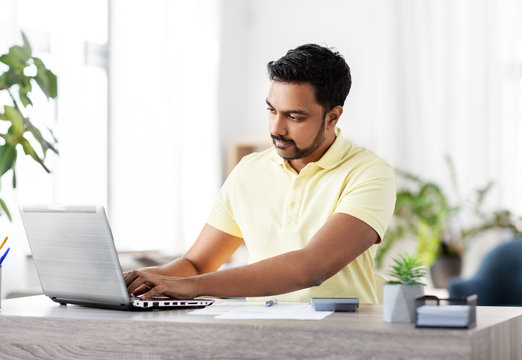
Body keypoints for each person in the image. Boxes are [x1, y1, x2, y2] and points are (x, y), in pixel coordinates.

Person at [124, 44, 396, 304]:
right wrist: (136, 280)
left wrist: (192, 287)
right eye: (272, 110)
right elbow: (196, 264)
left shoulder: (369, 173)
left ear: (332, 117)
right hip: (261, 330)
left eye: (294, 117)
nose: (277, 128)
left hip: (340, 335)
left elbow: (312, 267)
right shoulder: (249, 171)